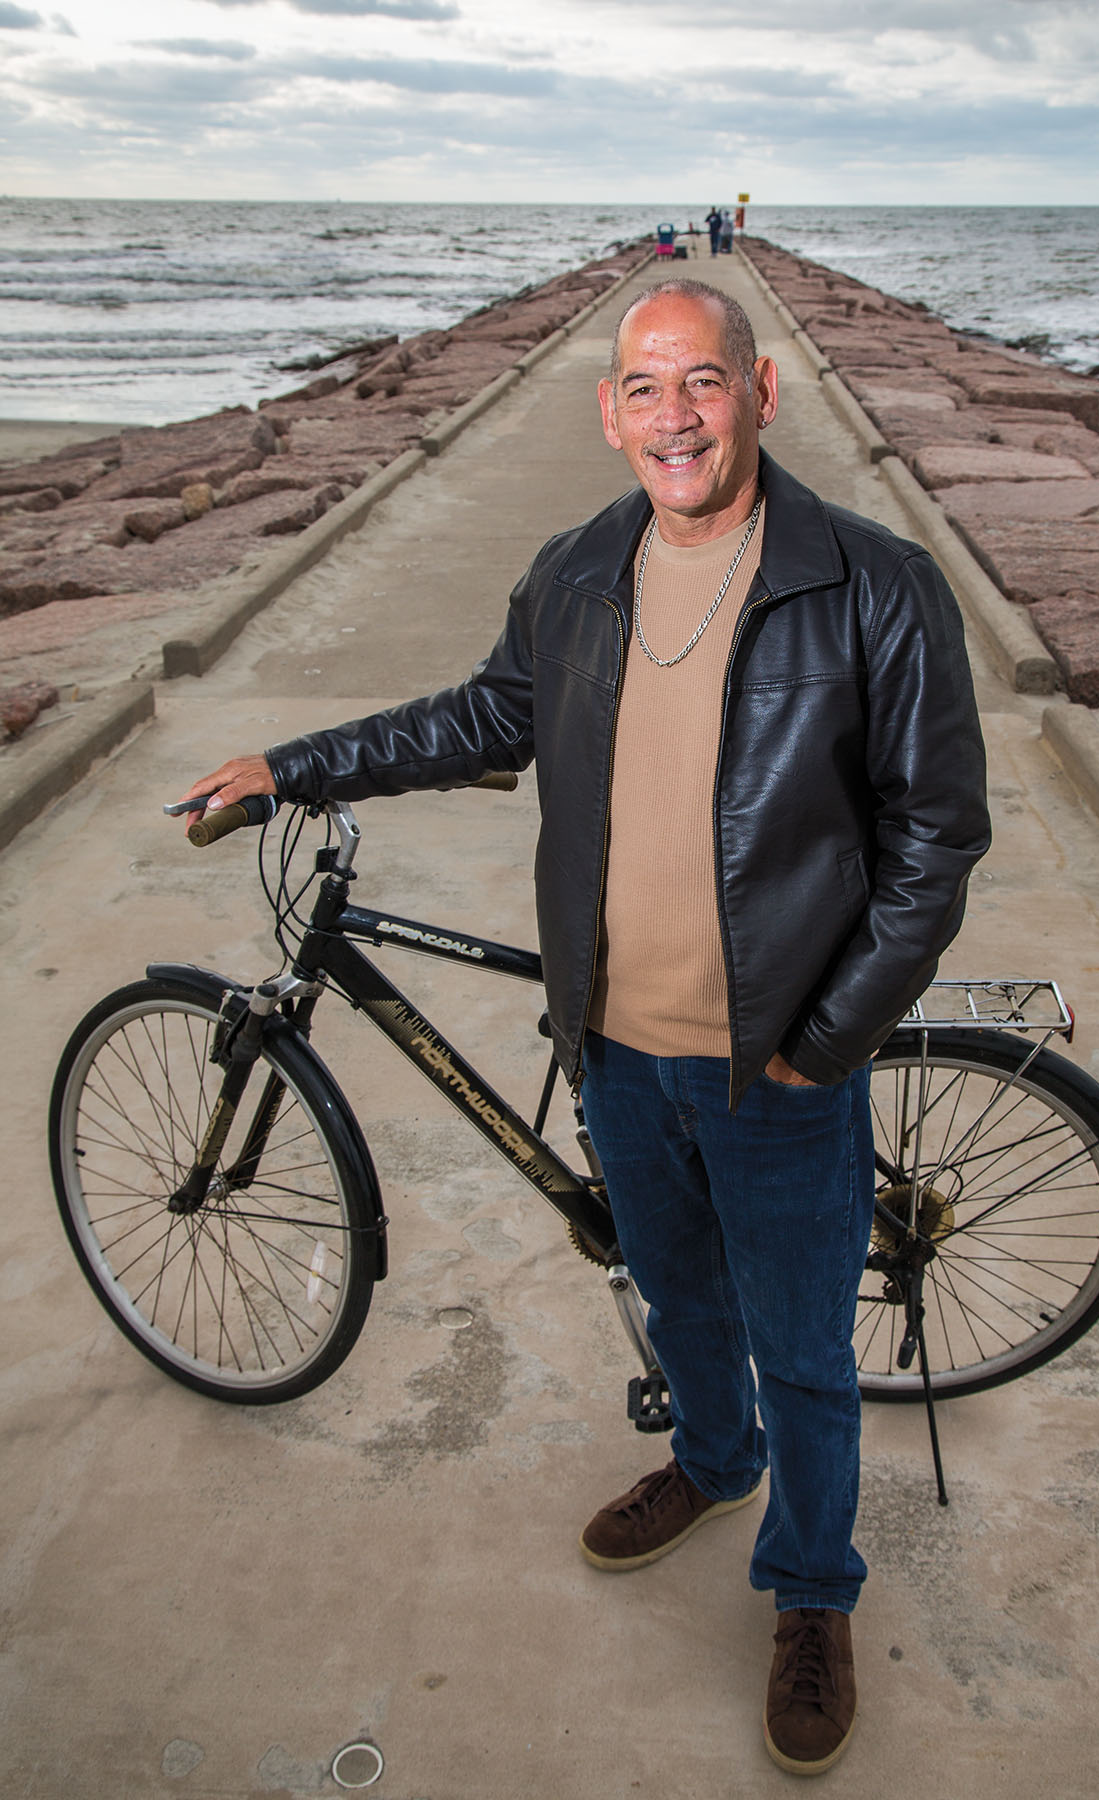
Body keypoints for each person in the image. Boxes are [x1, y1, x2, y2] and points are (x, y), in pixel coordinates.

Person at [181, 279, 989, 1777]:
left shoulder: (876, 584)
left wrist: (827, 1039)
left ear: (759, 394)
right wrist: (295, 765)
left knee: (805, 1350)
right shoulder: (576, 573)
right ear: (608, 411)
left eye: (703, 383)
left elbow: (937, 837)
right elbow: (482, 718)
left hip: (777, 1064)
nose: (673, 414)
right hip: (613, 1046)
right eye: (644, 387)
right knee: (679, 1303)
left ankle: (812, 1591)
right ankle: (708, 1459)